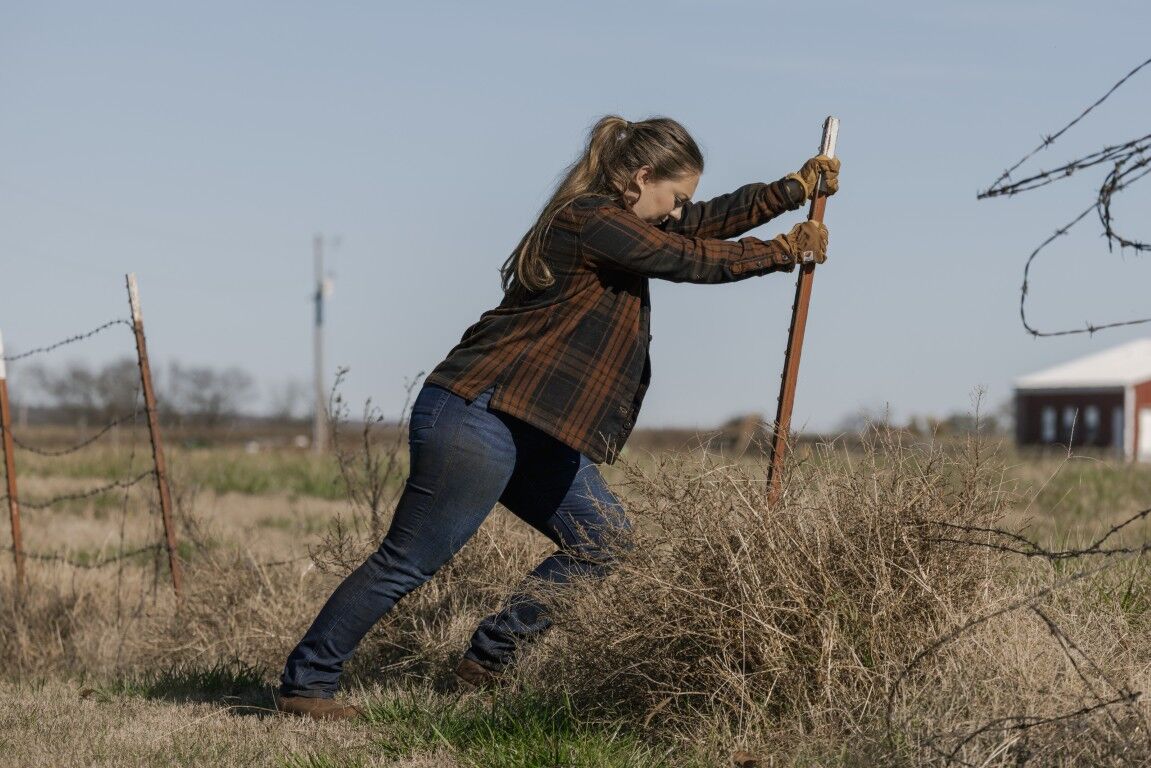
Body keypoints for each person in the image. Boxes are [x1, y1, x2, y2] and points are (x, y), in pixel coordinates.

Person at [276, 115, 839, 720]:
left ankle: (488, 657)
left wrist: (789, 191)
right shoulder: (590, 220)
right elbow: (684, 256)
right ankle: (308, 681)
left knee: (604, 541)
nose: (680, 212)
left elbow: (696, 227)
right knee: (410, 558)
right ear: (642, 177)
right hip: (480, 412)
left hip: (534, 426)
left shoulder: (627, 220)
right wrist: (779, 252)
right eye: (675, 197)